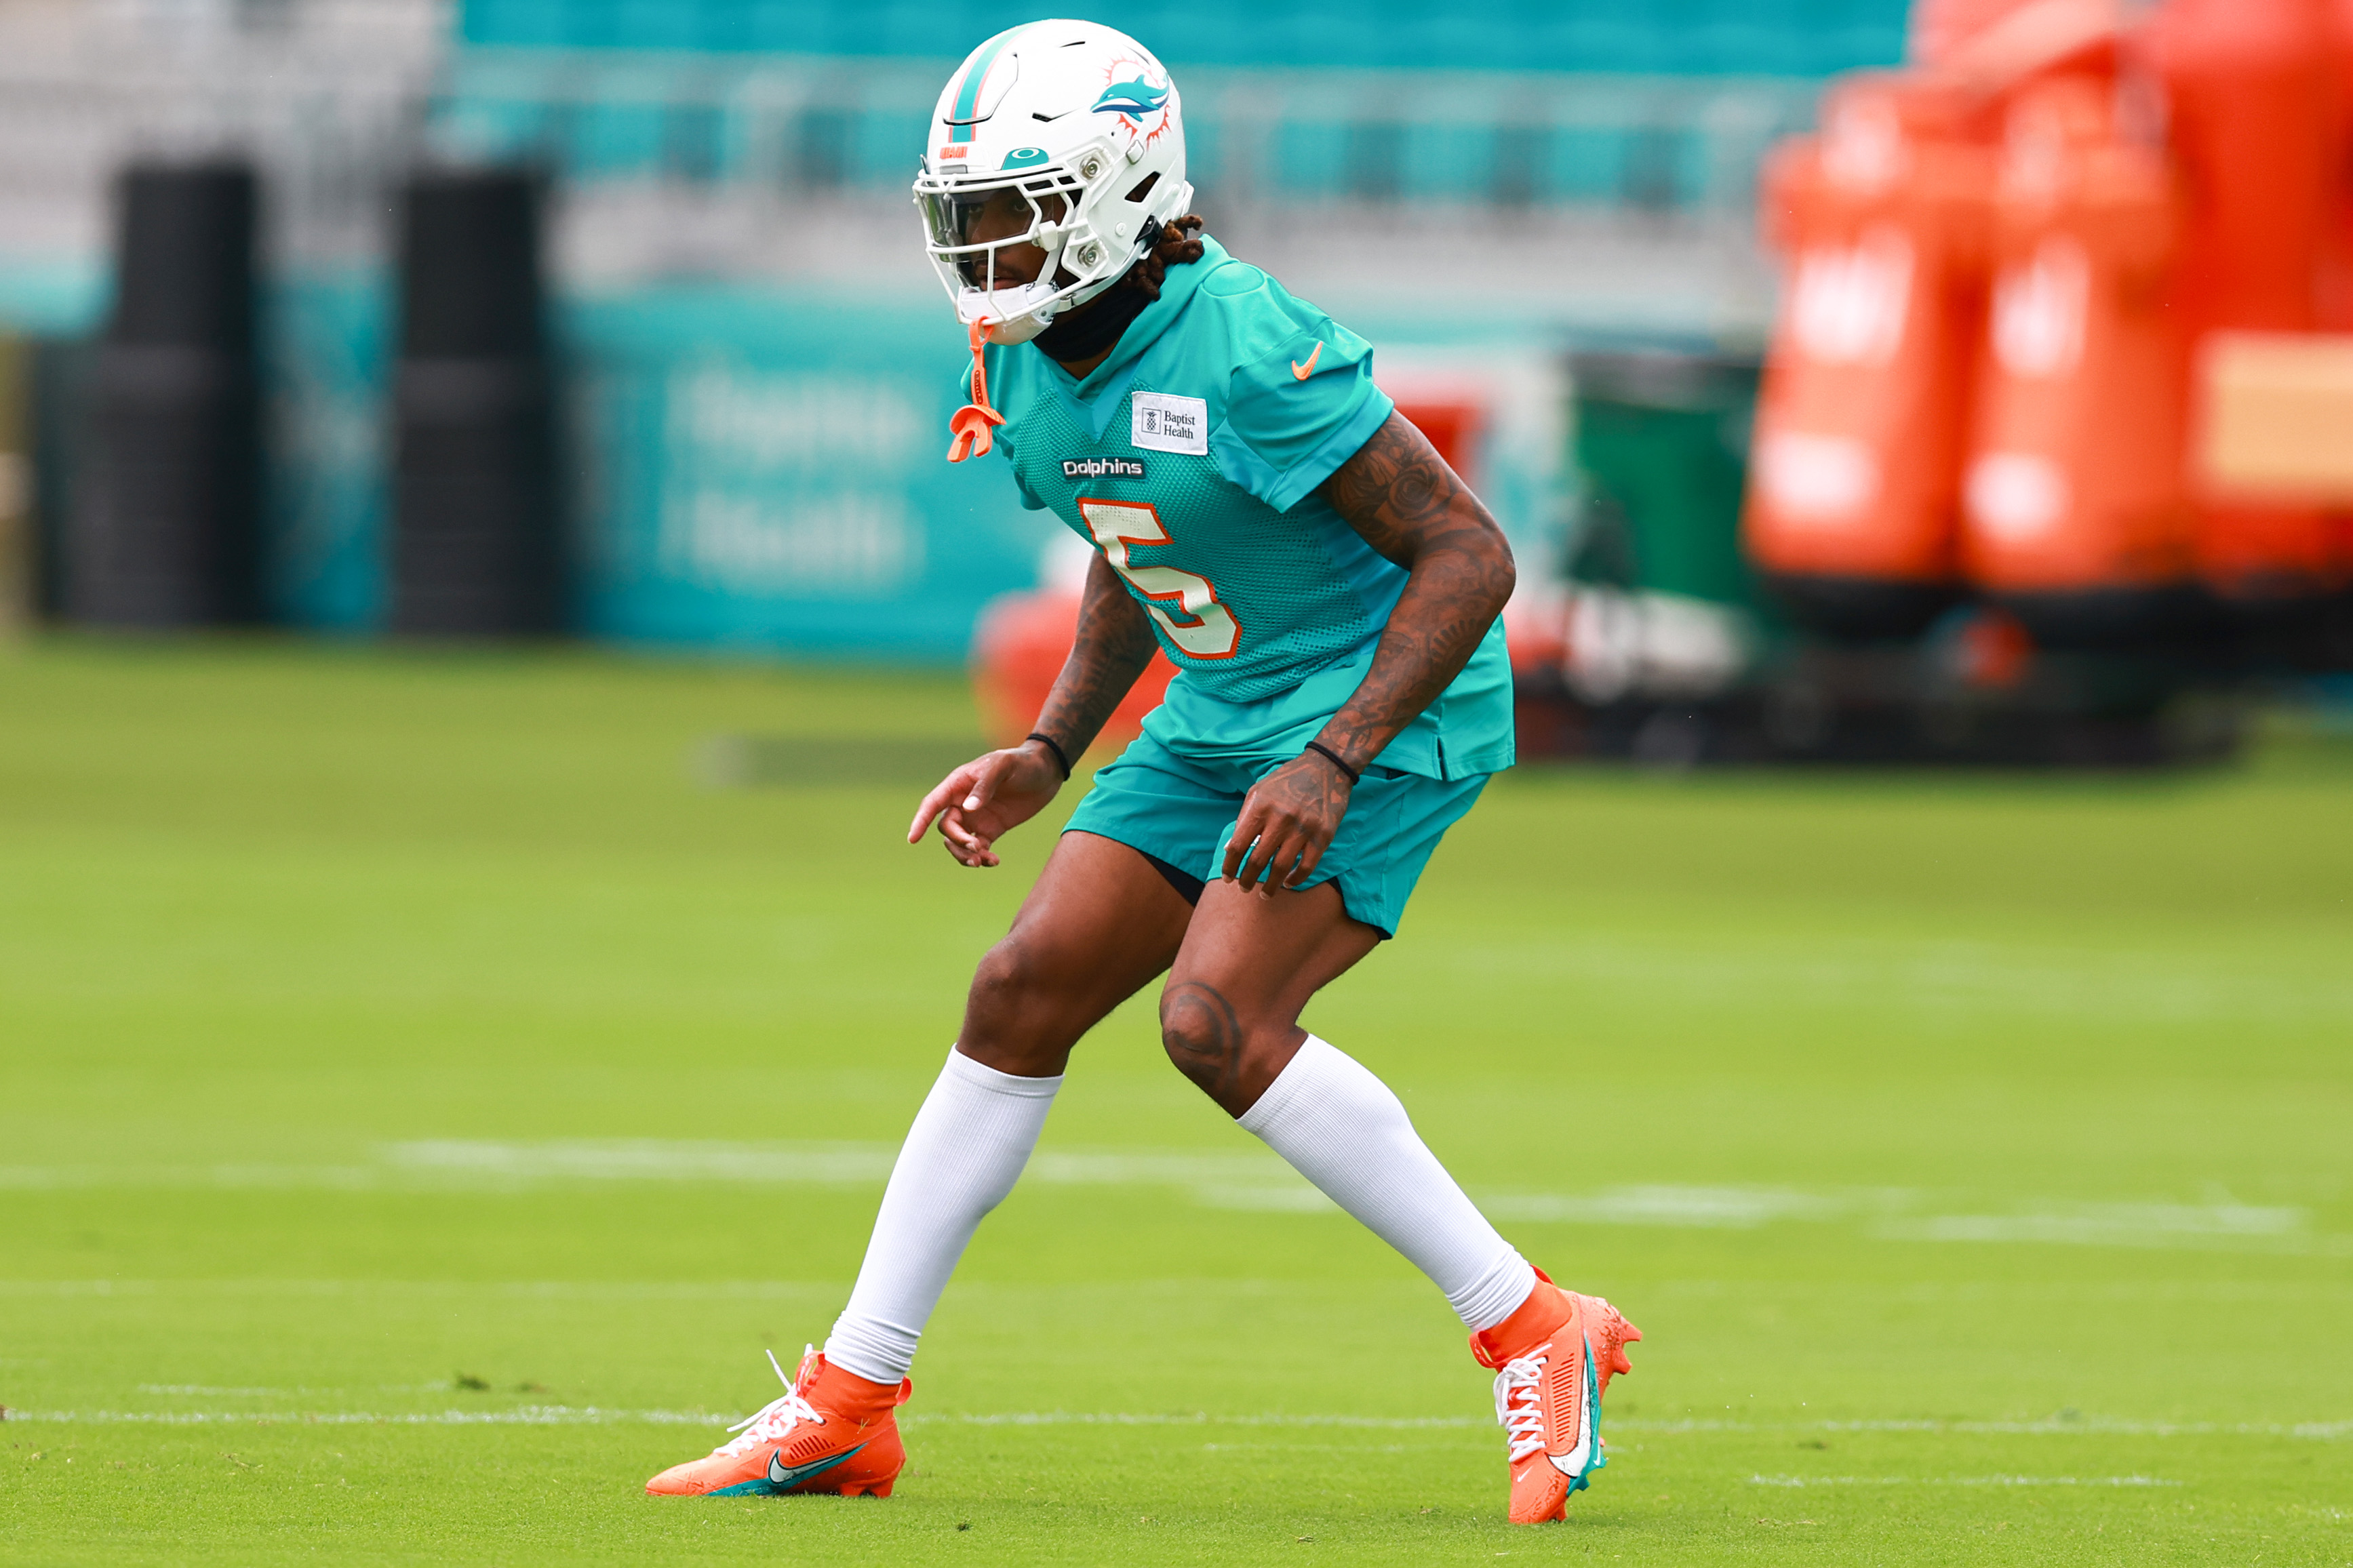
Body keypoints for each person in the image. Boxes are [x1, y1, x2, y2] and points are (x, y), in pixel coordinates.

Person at [644, 19, 1639, 1526]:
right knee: (1019, 986)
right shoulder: (1030, 350)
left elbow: (1468, 553)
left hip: (1379, 704)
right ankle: (849, 1403)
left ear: (1120, 187)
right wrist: (1051, 745)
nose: (982, 247)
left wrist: (1330, 754)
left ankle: (1533, 1325)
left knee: (1215, 1020)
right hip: (1225, 697)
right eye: (965, 213)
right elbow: (1127, 542)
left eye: (1016, 207)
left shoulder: (1246, 340)